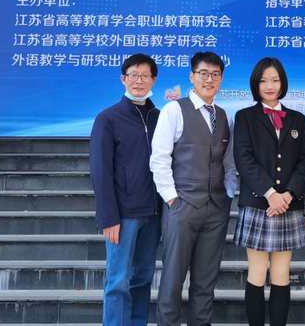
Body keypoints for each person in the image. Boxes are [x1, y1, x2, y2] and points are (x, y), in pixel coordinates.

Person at [149, 51, 238, 326]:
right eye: (203, 73)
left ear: (221, 79)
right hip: (182, 206)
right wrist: (172, 199)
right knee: (173, 279)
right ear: (192, 76)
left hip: (216, 208)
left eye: (215, 74)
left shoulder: (225, 117)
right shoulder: (174, 110)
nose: (209, 79)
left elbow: (228, 162)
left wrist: (228, 194)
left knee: (206, 280)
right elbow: (159, 158)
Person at [233, 57, 305, 326]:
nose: (270, 85)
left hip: (288, 205)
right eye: (264, 80)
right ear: (255, 84)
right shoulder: (244, 117)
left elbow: (304, 162)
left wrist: (288, 194)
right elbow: (243, 159)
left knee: (281, 274)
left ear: (283, 83)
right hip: (258, 204)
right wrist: (270, 193)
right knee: (256, 273)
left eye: (275, 80)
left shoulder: (298, 119)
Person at [89, 53, 161, 326]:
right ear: (123, 79)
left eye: (145, 76)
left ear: (154, 80)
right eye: (133, 75)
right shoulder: (108, 118)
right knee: (118, 281)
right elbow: (100, 172)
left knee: (143, 277)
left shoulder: (160, 117)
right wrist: (108, 217)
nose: (139, 81)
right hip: (123, 215)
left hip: (153, 214)